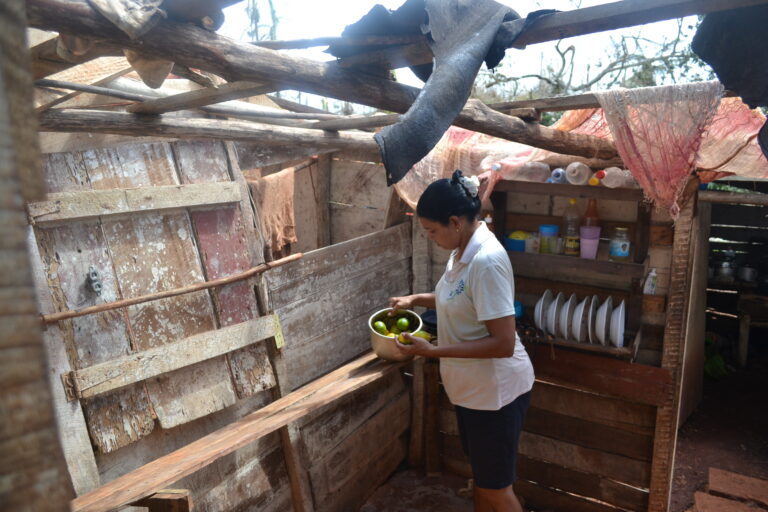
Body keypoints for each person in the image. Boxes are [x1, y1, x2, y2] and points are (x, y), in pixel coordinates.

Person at [390, 170, 534, 512]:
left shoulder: (486, 262)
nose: (430, 238)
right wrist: (416, 300)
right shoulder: (462, 252)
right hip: (473, 391)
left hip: (496, 394)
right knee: (484, 483)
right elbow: (457, 296)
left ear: (455, 222)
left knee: (497, 490)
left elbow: (503, 343)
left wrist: (433, 350)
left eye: (432, 231)